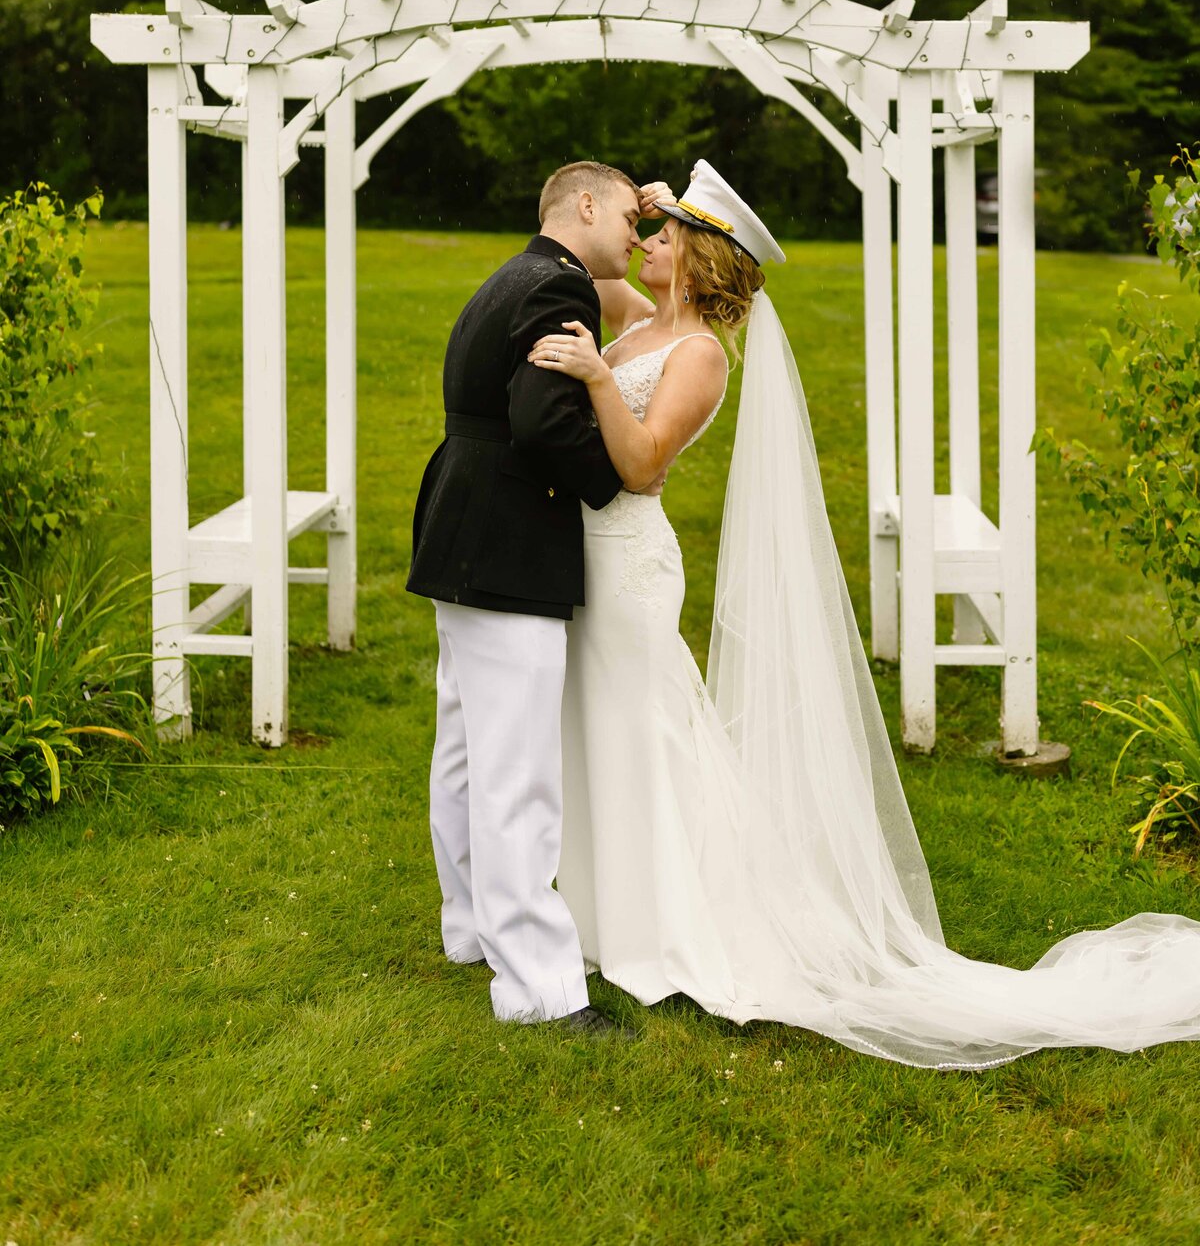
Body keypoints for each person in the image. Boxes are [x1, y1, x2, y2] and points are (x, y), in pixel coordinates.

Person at [527, 159, 1200, 1068]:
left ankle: (680, 923)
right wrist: (650, 205)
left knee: (650, 734)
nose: (645, 242)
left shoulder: (699, 358)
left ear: (694, 257)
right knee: (608, 730)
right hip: (593, 563)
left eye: (664, 235)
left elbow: (644, 464)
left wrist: (597, 381)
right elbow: (598, 264)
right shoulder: (642, 321)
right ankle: (613, 906)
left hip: (632, 566)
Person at [407, 160, 664, 1032]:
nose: (635, 233)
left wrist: (657, 213)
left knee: (468, 750)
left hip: (459, 532)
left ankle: (470, 928)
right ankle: (540, 990)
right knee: (517, 771)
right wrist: (618, 482)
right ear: (582, 207)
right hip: (510, 540)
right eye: (628, 216)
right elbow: (543, 420)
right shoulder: (563, 287)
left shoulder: (509, 275)